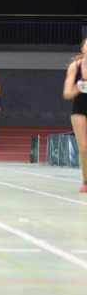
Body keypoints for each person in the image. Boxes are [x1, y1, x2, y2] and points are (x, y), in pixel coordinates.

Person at [62, 37, 87, 193]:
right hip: (79, 107)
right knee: (84, 147)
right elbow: (66, 93)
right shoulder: (75, 66)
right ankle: (85, 181)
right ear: (83, 49)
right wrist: (79, 86)